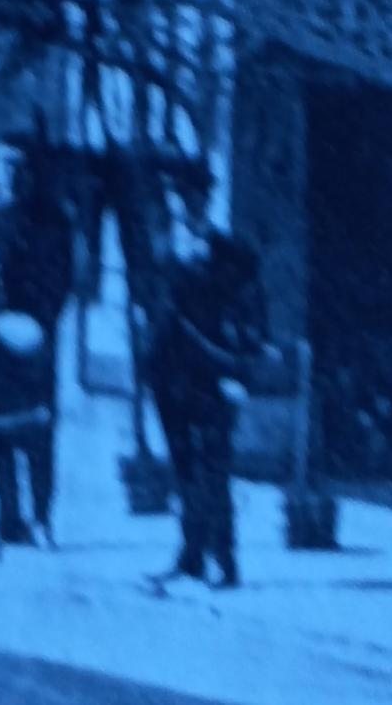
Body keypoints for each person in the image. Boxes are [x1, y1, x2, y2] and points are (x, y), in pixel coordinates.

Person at [142, 157, 267, 591]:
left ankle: (224, 561)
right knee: (183, 469)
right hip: (168, 378)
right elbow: (153, 312)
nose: (181, 206)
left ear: (206, 200)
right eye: (176, 197)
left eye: (190, 197)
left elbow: (253, 322)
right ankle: (190, 556)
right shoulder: (160, 250)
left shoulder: (234, 254)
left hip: (215, 375)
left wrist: (241, 375)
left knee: (214, 467)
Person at [0, 134, 76, 546]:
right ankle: (8, 517)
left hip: (34, 340)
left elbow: (62, 279)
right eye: (1, 165)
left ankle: (42, 518)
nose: (9, 174)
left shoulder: (51, 220)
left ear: (26, 171)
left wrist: (39, 323)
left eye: (16, 166)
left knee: (38, 431)